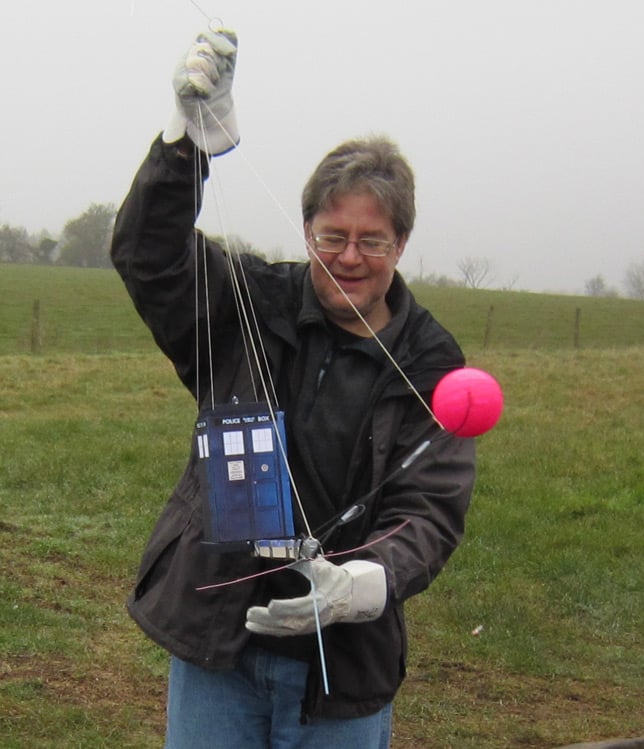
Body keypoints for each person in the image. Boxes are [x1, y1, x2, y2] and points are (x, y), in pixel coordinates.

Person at [111, 27, 475, 749]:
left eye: (371, 240)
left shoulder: (432, 362)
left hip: (342, 671)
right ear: (306, 230)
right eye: (331, 234)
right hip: (222, 647)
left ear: (401, 244)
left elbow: (430, 508)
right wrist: (186, 143)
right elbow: (147, 255)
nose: (349, 256)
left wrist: (366, 581)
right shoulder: (249, 303)